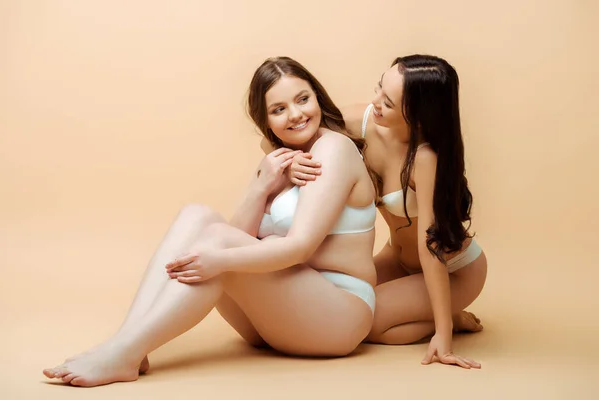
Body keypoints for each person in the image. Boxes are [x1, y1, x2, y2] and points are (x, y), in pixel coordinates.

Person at [42, 56, 379, 387]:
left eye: (303, 99)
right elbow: (240, 235)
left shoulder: (333, 148)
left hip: (338, 316)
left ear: (317, 96)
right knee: (197, 215)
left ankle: (123, 352)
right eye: (278, 109)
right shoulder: (281, 155)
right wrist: (261, 185)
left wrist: (218, 260)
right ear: (265, 119)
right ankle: (128, 345)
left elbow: (299, 247)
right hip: (281, 317)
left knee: (217, 241)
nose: (295, 115)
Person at [273, 54, 487, 369]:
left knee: (365, 323)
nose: (375, 102)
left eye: (387, 102)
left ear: (417, 115)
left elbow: (432, 246)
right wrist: (291, 165)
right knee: (339, 302)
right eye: (379, 88)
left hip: (454, 270)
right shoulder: (362, 121)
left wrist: (443, 334)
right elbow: (286, 135)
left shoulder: (425, 158)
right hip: (397, 259)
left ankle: (450, 319)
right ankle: (437, 313)